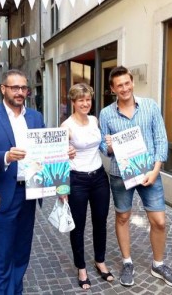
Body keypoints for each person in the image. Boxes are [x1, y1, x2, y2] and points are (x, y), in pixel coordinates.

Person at [0, 69, 75, 294]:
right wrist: (6, 156)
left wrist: (62, 154)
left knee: (22, 252)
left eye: (23, 88)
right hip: (2, 194)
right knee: (2, 255)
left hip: (30, 194)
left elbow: (44, 151)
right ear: (3, 89)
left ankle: (16, 291)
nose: (20, 92)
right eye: (15, 87)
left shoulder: (35, 117)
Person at [99, 66, 172, 288]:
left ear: (132, 82)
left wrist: (156, 171)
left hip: (149, 172)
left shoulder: (150, 106)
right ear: (112, 89)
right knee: (123, 218)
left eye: (127, 83)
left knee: (159, 221)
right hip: (120, 174)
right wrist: (108, 146)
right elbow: (102, 145)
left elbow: (161, 140)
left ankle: (158, 264)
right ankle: (127, 262)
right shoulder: (106, 114)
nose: (124, 88)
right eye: (119, 85)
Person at [60, 83, 113, 290]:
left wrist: (109, 145)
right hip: (77, 179)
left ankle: (100, 261)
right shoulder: (66, 126)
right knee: (79, 225)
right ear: (73, 102)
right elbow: (60, 156)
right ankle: (81, 267)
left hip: (99, 177)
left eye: (88, 99)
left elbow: (100, 147)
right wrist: (62, 186)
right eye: (80, 100)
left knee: (100, 221)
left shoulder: (94, 120)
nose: (85, 103)